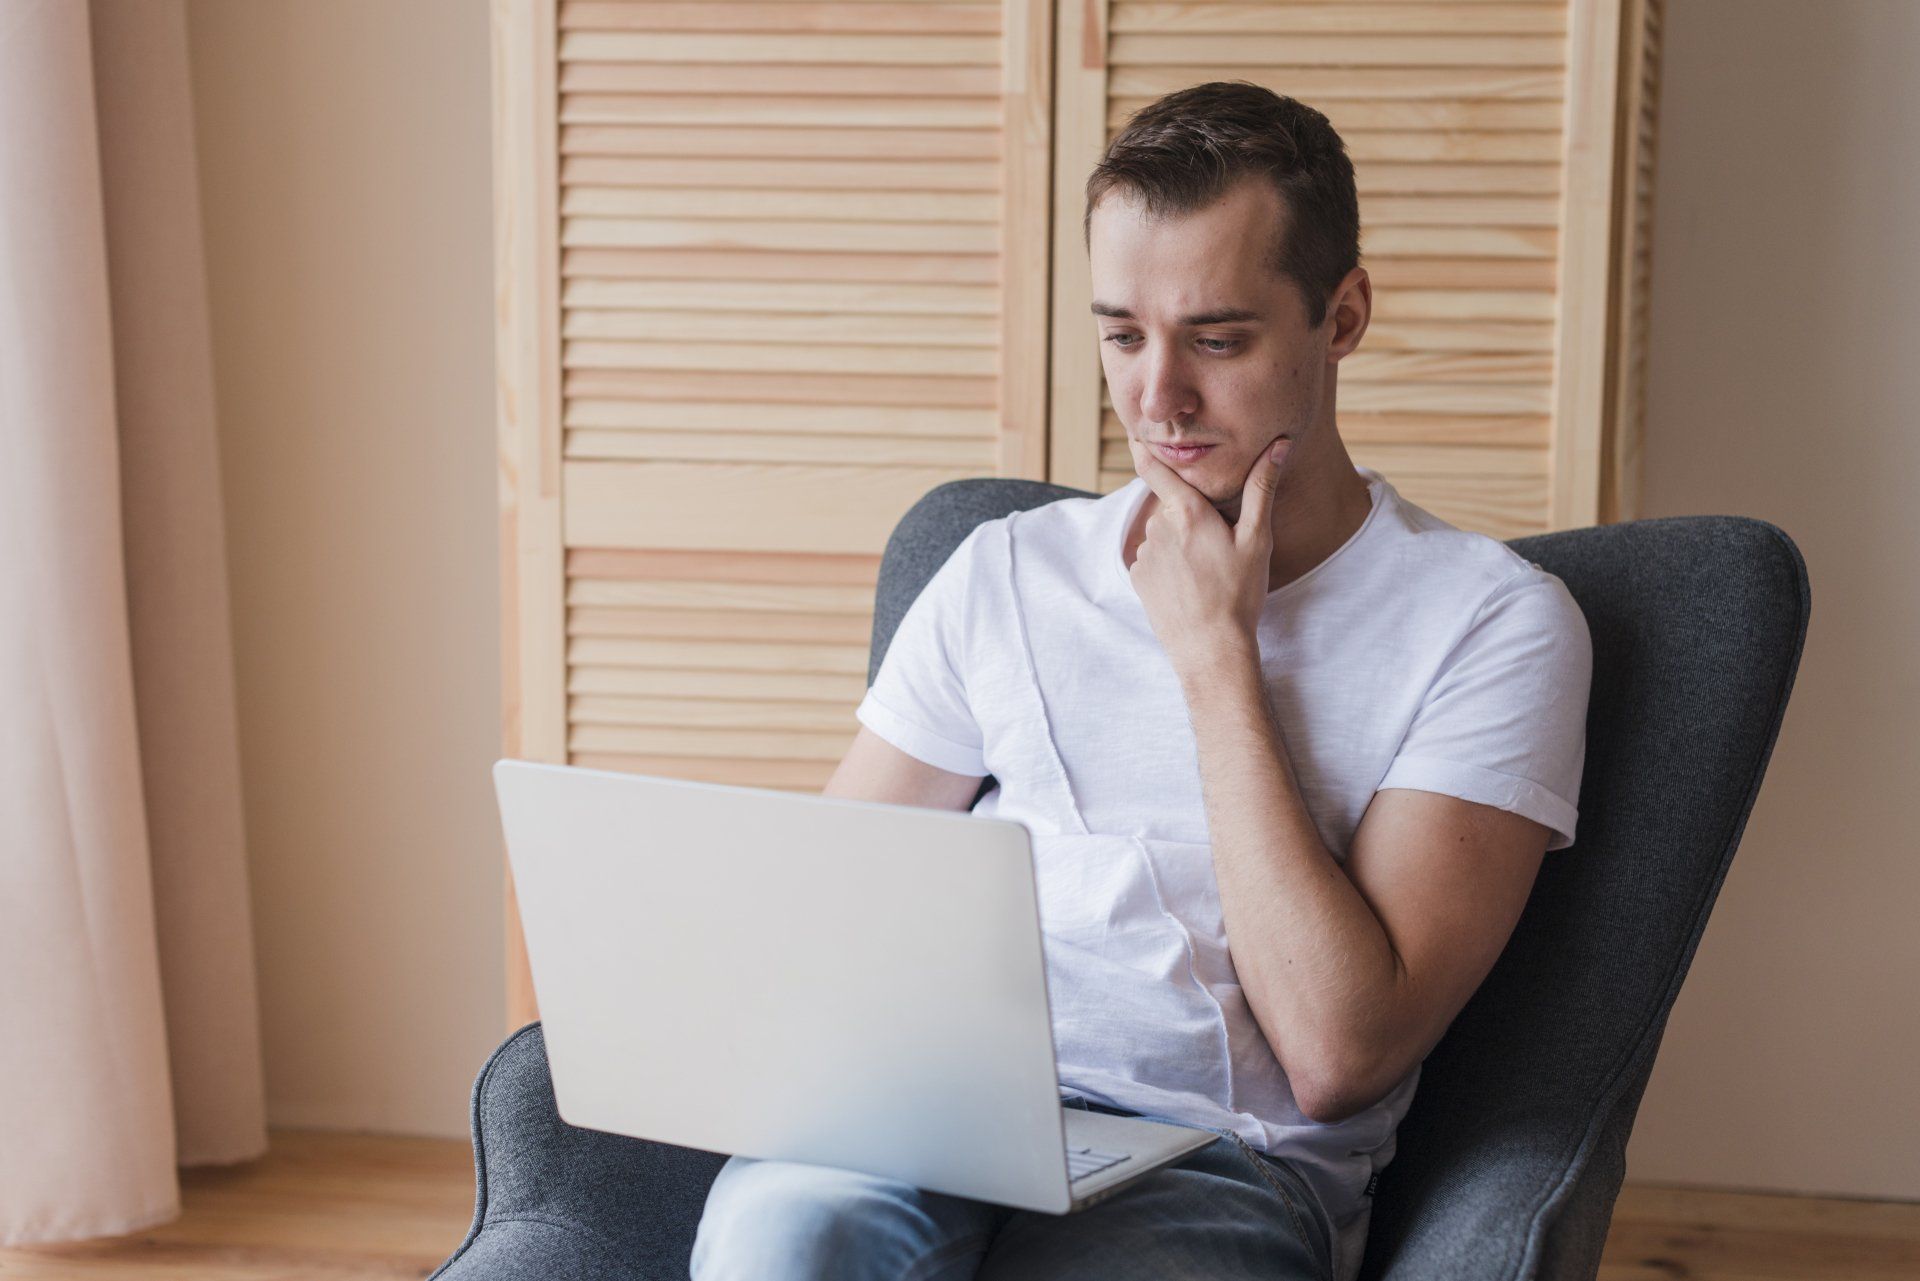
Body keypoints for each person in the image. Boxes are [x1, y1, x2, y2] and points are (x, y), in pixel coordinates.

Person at [690, 81, 1593, 1281]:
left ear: (1343, 315)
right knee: (785, 1238)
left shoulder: (1490, 622)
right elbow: (829, 917)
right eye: (1123, 335)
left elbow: (1339, 1051)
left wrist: (1215, 653)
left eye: (1217, 339)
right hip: (933, 1111)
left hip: (1220, 1159)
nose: (1157, 399)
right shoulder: (1009, 571)